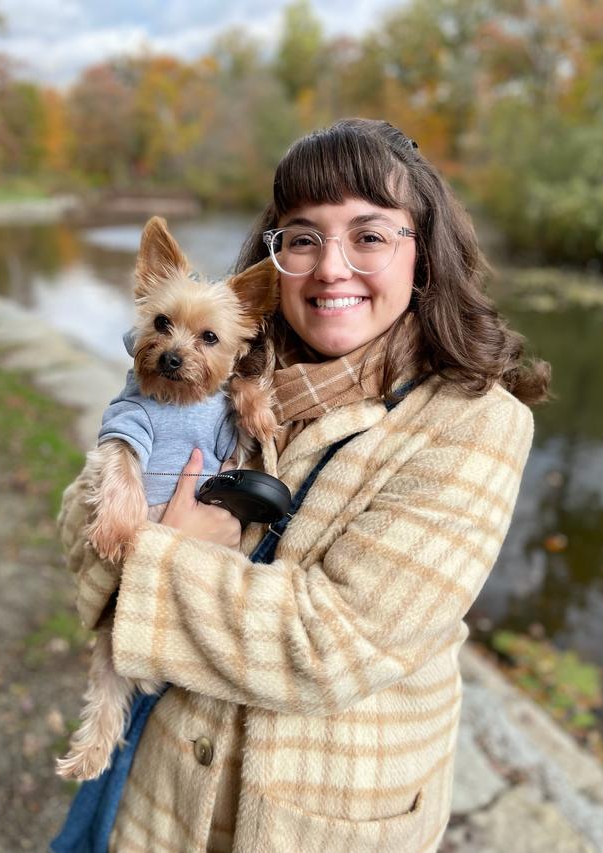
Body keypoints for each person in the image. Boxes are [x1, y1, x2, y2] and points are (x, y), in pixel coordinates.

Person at [56, 117, 550, 852]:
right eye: (303, 236)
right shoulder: (231, 371)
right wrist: (145, 523)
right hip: (150, 770)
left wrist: (161, 551)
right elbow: (77, 528)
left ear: (422, 253)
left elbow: (330, 641)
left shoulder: (475, 424)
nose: (330, 267)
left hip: (297, 817)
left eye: (370, 235)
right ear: (275, 255)